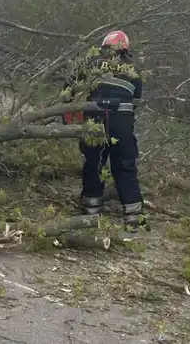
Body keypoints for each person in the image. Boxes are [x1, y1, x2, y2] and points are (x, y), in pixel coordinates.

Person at [63, 30, 148, 231]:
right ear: (126, 48)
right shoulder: (134, 69)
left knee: (93, 163)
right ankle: (133, 217)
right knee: (125, 166)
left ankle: (92, 212)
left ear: (105, 45)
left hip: (95, 119)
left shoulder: (90, 63)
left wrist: (69, 114)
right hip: (122, 123)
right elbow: (136, 100)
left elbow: (68, 89)